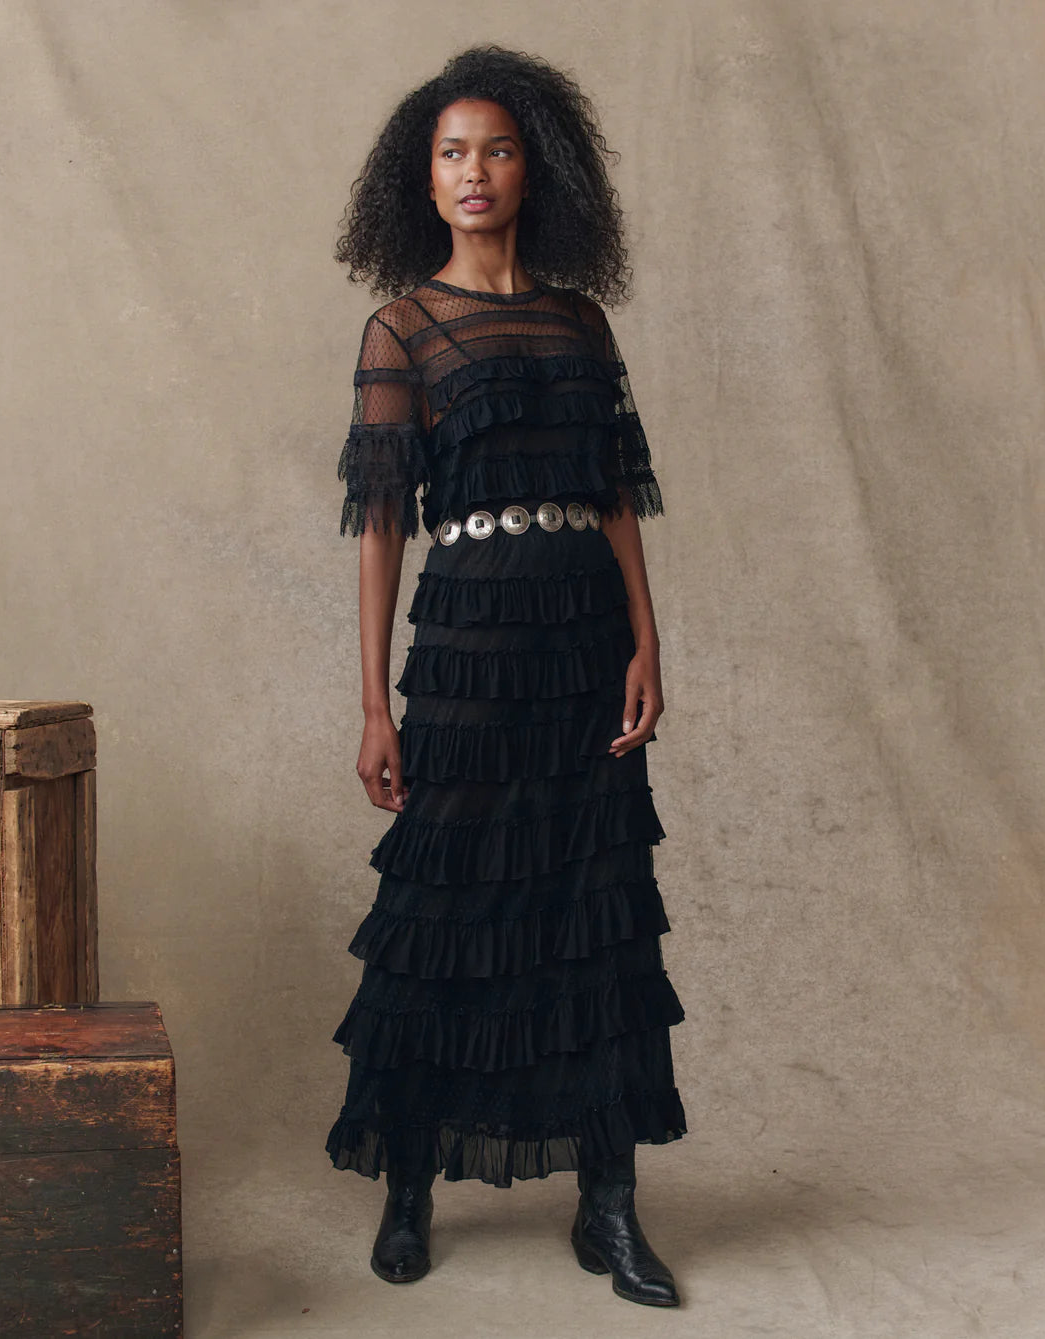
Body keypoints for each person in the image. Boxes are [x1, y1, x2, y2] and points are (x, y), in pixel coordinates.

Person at [324, 44, 687, 1309]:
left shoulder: (584, 321)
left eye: (497, 148)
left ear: (538, 168)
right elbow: (380, 526)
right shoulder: (403, 328)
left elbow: (615, 493)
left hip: (585, 644)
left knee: (598, 914)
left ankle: (610, 1207)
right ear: (420, 181)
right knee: (447, 914)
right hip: (468, 647)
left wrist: (647, 636)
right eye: (450, 152)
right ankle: (410, 1184)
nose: (474, 171)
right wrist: (376, 701)